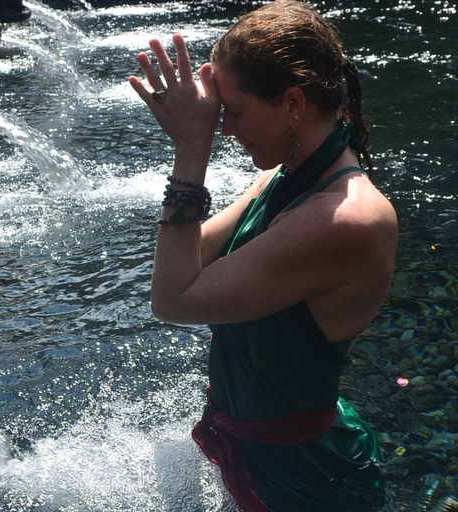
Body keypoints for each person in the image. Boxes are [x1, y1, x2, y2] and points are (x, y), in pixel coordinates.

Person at [128, 1, 398, 511]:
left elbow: (172, 300)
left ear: (293, 104)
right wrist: (196, 135)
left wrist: (190, 151)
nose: (223, 127)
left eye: (234, 110)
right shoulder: (280, 180)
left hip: (311, 482)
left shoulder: (346, 221)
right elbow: (182, 264)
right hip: (258, 458)